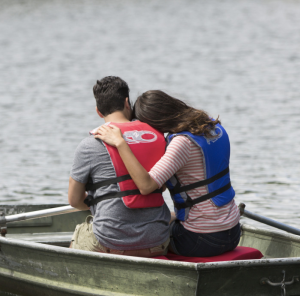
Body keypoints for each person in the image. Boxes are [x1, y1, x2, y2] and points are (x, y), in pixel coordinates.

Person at [93, 90, 240, 257]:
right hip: (233, 231)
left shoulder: (182, 143)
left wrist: (120, 143)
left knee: (149, 236)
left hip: (200, 239)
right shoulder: (213, 126)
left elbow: (147, 186)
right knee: (168, 217)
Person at [67, 77, 172, 257]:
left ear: (98, 112)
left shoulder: (88, 146)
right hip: (158, 241)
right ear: (126, 103)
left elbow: (75, 200)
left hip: (110, 242)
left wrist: (100, 202)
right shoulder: (157, 136)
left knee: (79, 233)